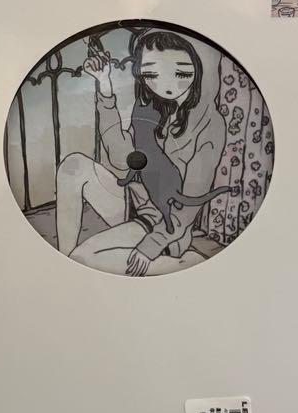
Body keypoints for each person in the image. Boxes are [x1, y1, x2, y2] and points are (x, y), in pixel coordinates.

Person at [54, 28, 227, 277]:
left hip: (166, 225)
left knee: (84, 257)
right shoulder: (149, 105)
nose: (165, 85)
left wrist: (150, 247)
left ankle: (183, 261)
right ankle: (61, 261)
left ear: (199, 70)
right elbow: (120, 158)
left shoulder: (210, 124)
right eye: (151, 74)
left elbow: (189, 203)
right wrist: (105, 85)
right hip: (133, 203)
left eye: (180, 73)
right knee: (73, 166)